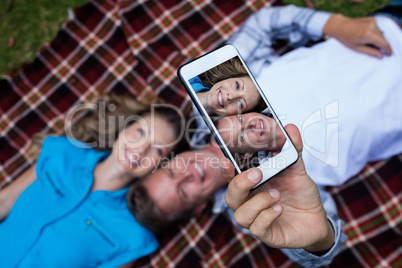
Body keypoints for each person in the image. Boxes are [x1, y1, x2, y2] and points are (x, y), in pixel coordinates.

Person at [0, 92, 184, 267]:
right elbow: (4, 201)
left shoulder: (134, 236)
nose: (141, 149)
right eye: (141, 132)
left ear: (160, 165)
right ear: (125, 127)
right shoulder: (63, 152)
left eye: (158, 149)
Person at [129, 124, 346, 267]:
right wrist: (320, 241)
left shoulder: (206, 106)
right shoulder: (251, 206)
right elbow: (317, 242)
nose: (187, 174)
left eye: (171, 171)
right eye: (183, 192)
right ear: (198, 207)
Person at [190, 57, 267, 116]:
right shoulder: (189, 75)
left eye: (241, 104)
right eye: (237, 85)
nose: (231, 96)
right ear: (230, 77)